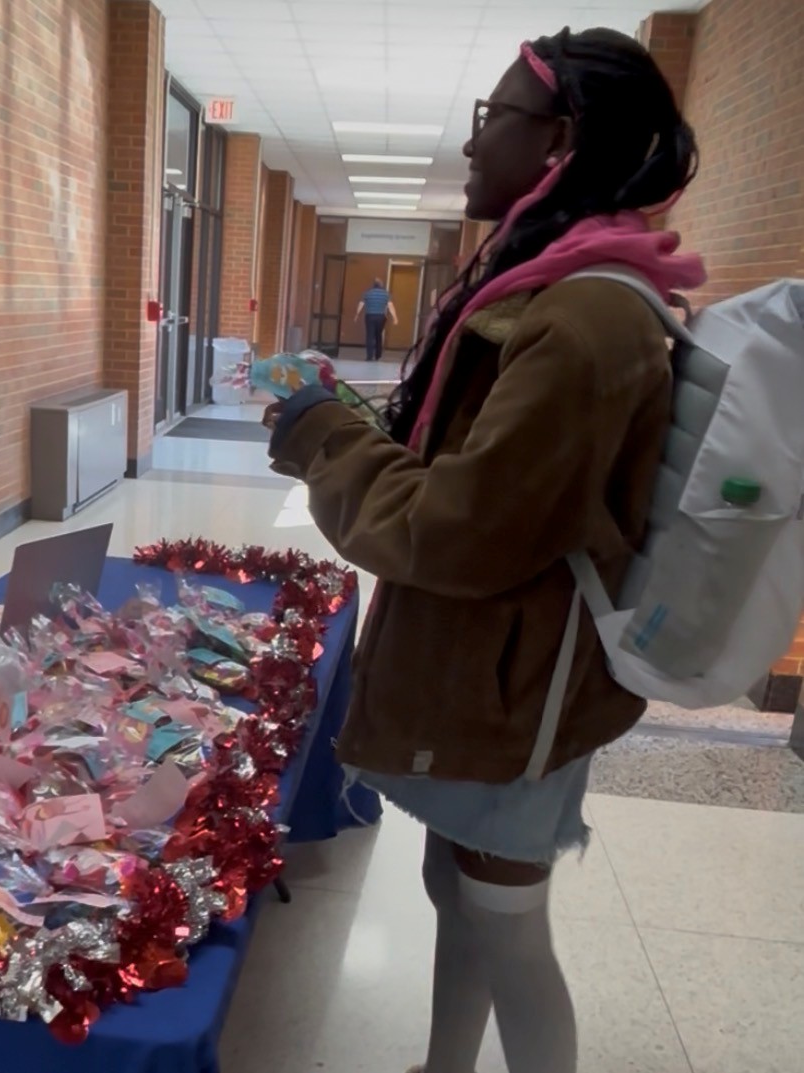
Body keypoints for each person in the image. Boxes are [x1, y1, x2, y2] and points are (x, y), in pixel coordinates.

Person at [265, 28, 704, 1073]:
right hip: (488, 668)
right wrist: (351, 418)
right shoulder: (550, 284)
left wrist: (326, 438)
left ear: (559, 140)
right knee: (453, 888)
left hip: (525, 688)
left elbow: (458, 529)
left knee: (508, 919)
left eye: (489, 120)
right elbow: (468, 464)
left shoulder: (590, 315)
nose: (471, 147)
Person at [355, 277, 399, 360]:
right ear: (381, 285)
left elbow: (361, 304)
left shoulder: (367, 293)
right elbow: (390, 306)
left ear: (373, 285)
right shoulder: (386, 294)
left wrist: (357, 315)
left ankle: (369, 356)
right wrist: (395, 317)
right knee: (378, 335)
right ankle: (378, 355)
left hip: (370, 316)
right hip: (381, 317)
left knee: (370, 336)